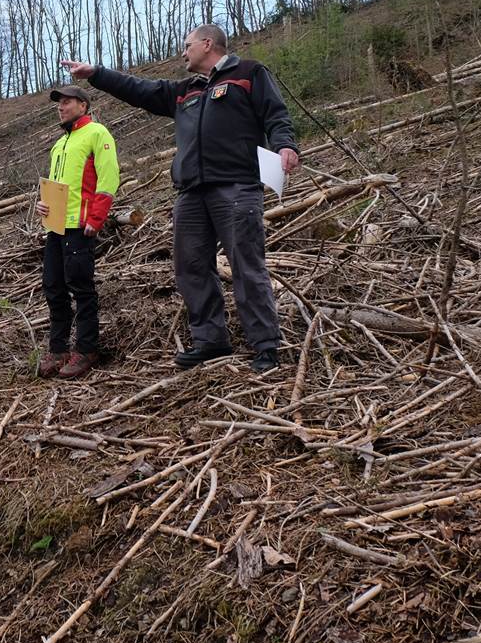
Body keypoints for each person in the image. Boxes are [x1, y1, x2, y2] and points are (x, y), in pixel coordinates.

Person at [62, 24, 301, 373]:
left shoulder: (249, 73)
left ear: (207, 44)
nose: (183, 52)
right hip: (190, 194)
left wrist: (285, 144)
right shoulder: (184, 90)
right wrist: (96, 74)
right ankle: (210, 341)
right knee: (190, 267)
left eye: (187, 45)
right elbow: (139, 89)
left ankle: (265, 345)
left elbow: (276, 115)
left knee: (247, 266)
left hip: (236, 187)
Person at [33, 85, 119, 379]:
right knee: (53, 286)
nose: (61, 107)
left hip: (80, 227)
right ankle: (58, 349)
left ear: (83, 105)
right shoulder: (60, 144)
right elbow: (57, 186)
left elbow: (109, 180)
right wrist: (43, 205)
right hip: (56, 226)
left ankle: (86, 349)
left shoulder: (97, 134)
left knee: (81, 287)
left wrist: (96, 218)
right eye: (59, 103)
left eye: (67, 102)